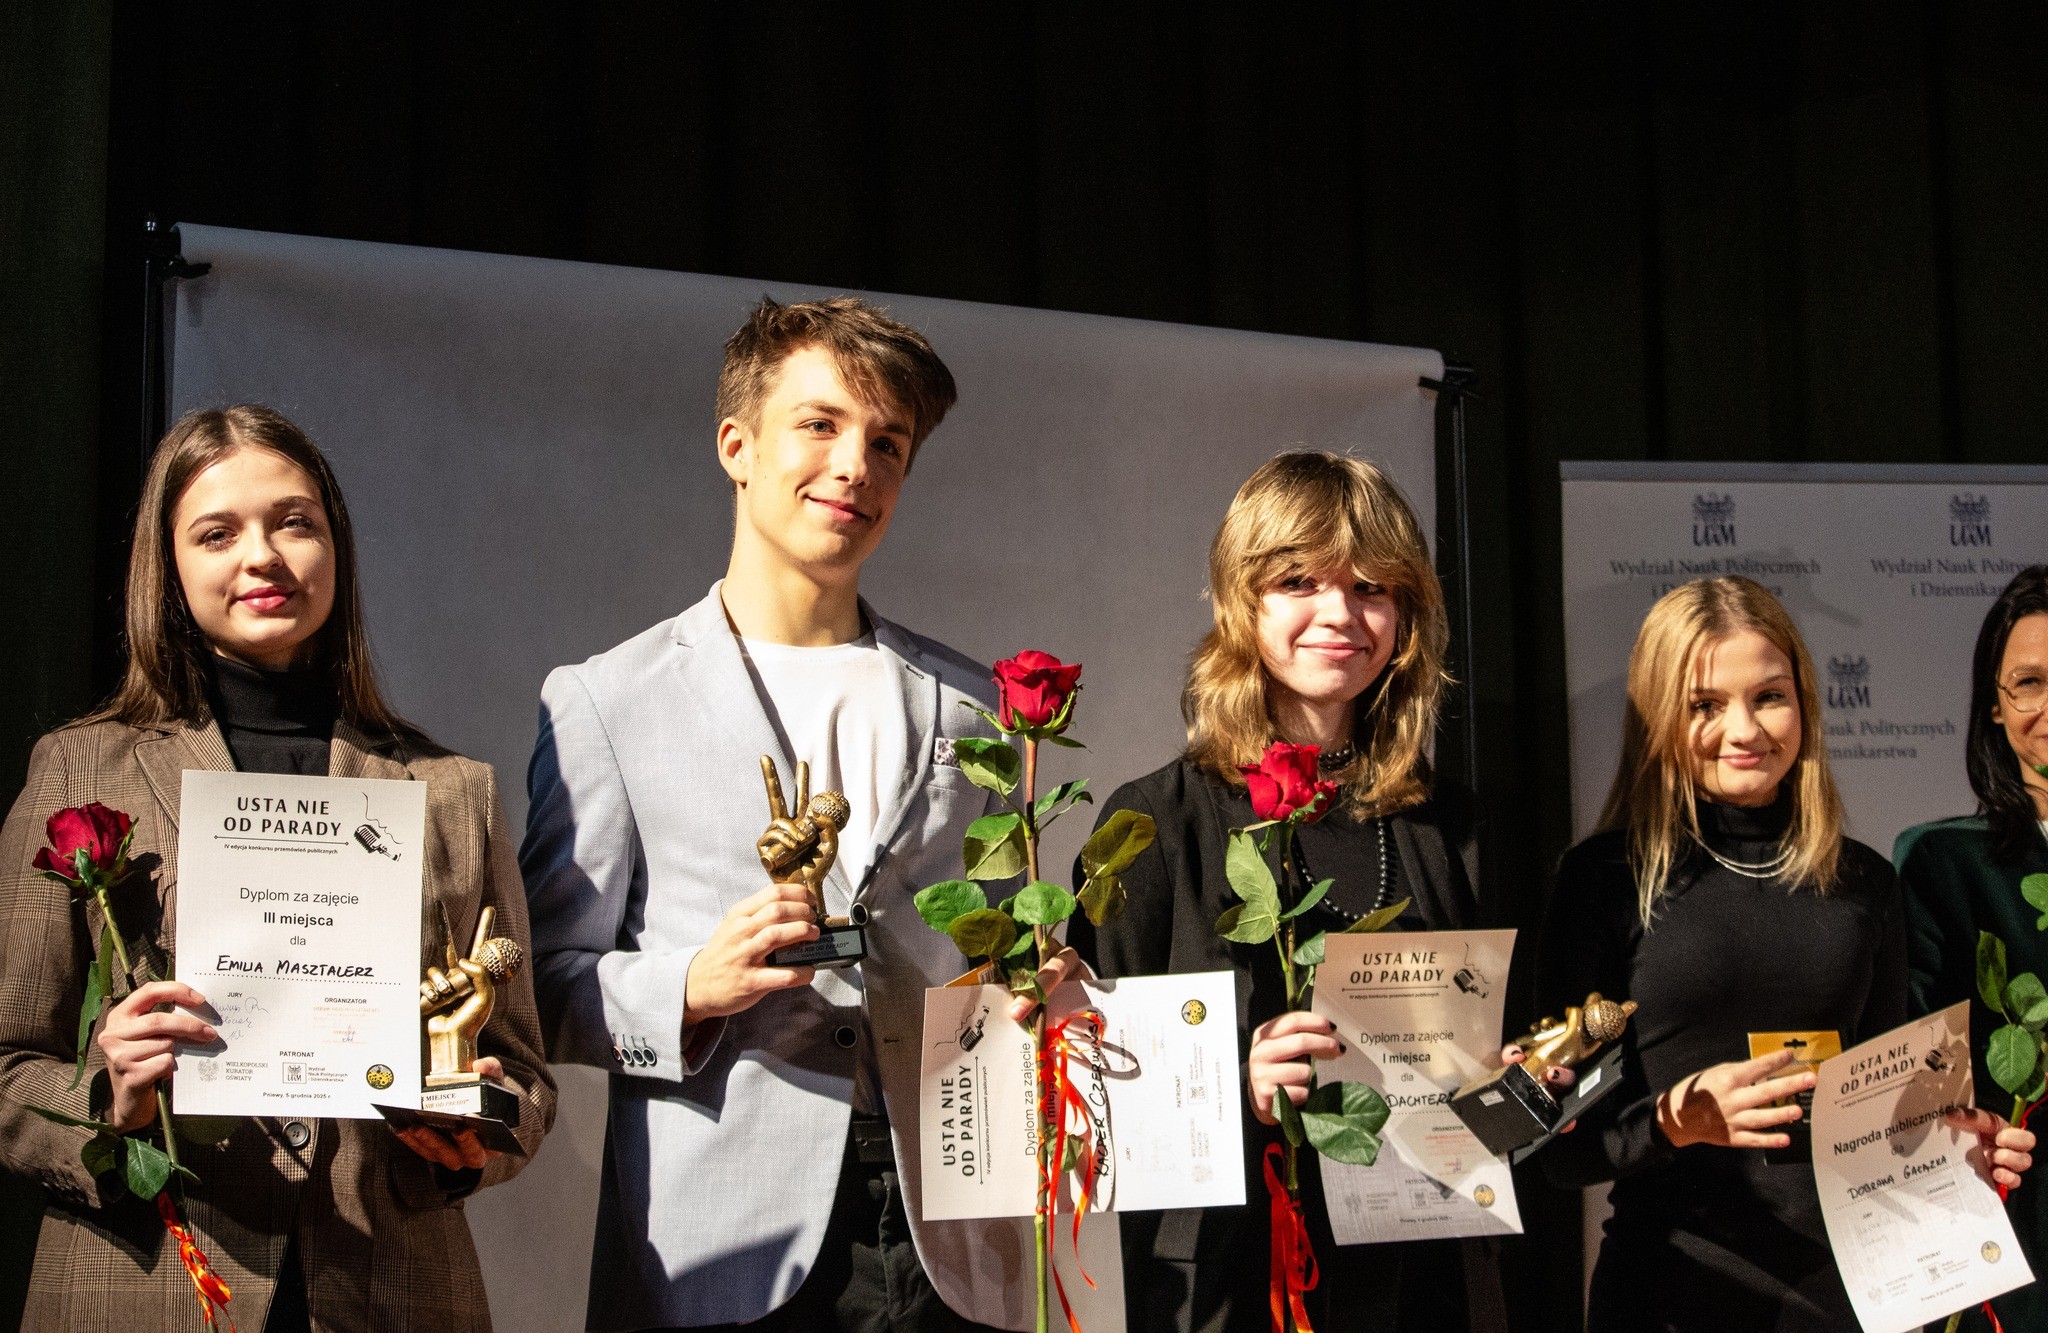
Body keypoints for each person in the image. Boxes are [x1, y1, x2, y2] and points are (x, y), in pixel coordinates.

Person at [519, 296, 1076, 1332]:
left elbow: (998, 954)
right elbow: (537, 986)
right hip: (720, 1243)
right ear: (736, 444)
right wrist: (689, 986)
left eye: (887, 443)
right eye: (820, 424)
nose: (854, 465)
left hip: (948, 1226)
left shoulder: (974, 706)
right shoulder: (607, 700)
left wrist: (1037, 985)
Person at [0, 405, 554, 1331]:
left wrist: (474, 1123)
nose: (262, 556)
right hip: (141, 1288)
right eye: (217, 533)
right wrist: (108, 1095)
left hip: (393, 1289)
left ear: (336, 547)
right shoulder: (80, 769)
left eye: (294, 522)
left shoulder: (453, 790)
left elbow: (525, 1078)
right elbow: (8, 1064)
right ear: (169, 567)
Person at [1068, 451, 1503, 1333]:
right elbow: (1082, 1099)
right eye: (1299, 581)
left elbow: (1481, 1099)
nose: (1340, 613)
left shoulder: (1448, 823)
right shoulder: (1152, 822)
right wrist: (1234, 1085)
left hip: (1416, 1286)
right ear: (1243, 602)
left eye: (1372, 587)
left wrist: (1517, 1085)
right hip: (1221, 1290)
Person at [1538, 575, 2032, 1332]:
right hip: (1667, 1296)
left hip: (1844, 1300)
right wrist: (1673, 1121)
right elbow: (1557, 1149)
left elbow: (1887, 1115)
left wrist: (1958, 1150)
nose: (1744, 729)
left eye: (1769, 696)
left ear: (1803, 703)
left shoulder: (1864, 881)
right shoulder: (1603, 879)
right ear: (1660, 715)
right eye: (1705, 705)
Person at [1899, 564, 2048, 1333]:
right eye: (2030, 682)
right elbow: (1917, 1088)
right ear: (1994, 703)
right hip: (2017, 1230)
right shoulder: (1945, 864)